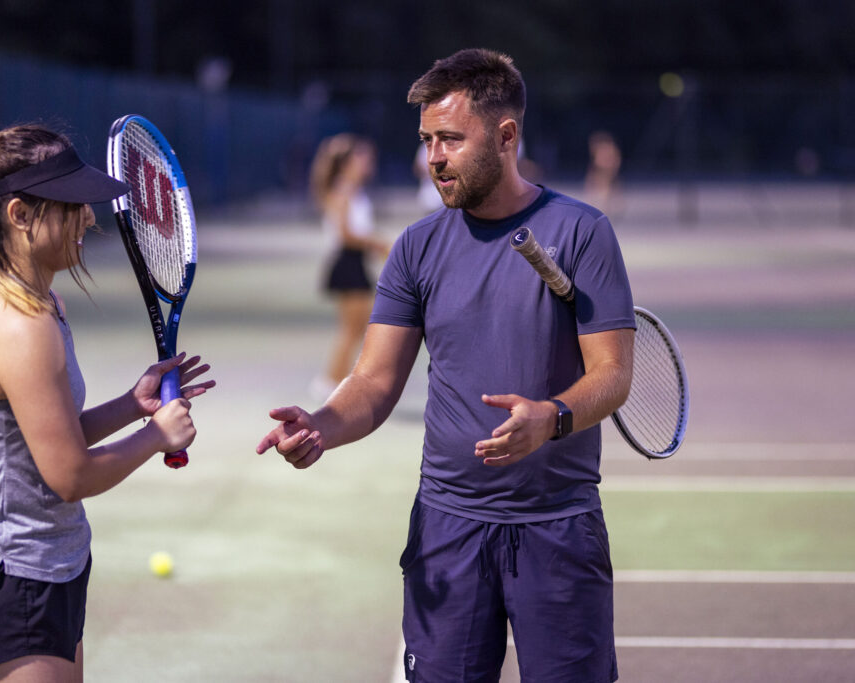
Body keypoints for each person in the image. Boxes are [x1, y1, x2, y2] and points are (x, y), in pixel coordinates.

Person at [257, 48, 634, 682]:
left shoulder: (582, 232)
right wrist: (323, 424)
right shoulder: (416, 248)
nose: (434, 156)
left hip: (558, 528)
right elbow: (375, 382)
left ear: (506, 136)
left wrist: (554, 417)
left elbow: (614, 375)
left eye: (451, 139)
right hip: (447, 529)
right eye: (428, 139)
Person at [0, 124, 215, 681]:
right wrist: (156, 437)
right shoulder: (19, 325)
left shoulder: (41, 304)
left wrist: (134, 405)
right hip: (8, 579)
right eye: (72, 204)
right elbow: (69, 475)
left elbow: (54, 436)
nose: (88, 217)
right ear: (18, 214)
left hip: (46, 567)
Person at [308, 133, 391, 400]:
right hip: (346, 262)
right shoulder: (343, 191)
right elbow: (346, 234)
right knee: (353, 328)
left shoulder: (353, 191)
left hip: (354, 262)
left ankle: (335, 380)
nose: (368, 162)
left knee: (357, 327)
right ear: (346, 163)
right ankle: (329, 382)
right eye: (362, 157)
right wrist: (378, 245)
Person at [583, 130, 624, 217]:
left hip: (606, 168)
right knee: (598, 186)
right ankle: (597, 204)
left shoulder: (607, 148)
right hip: (601, 169)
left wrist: (611, 167)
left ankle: (609, 205)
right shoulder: (601, 149)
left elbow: (614, 159)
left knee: (607, 187)